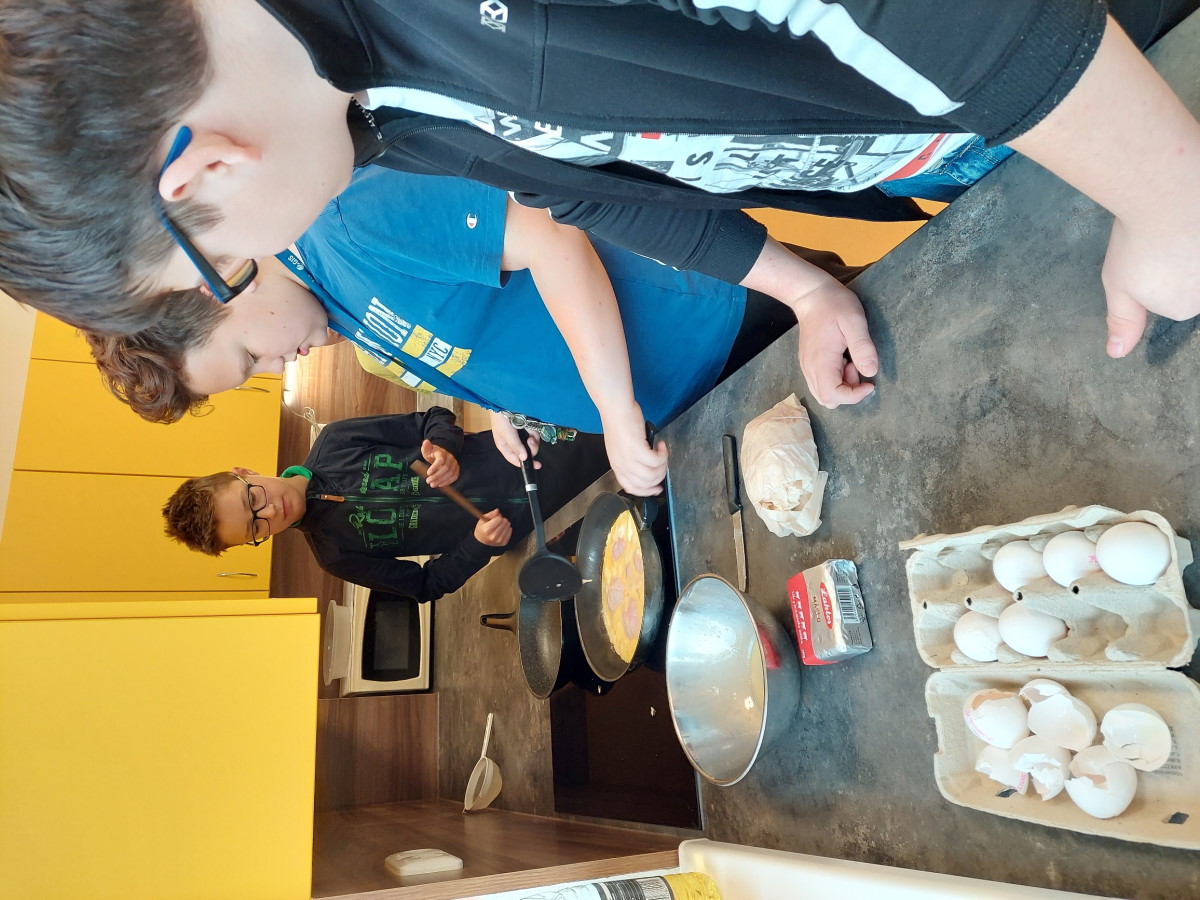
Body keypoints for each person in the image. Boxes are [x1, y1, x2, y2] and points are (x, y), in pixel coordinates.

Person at [4, 2, 1198, 383]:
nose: (254, 262)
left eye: (216, 265)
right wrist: (797, 285)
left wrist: (1171, 193)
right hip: (1005, 150)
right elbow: (595, 193)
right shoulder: (366, 111)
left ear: (203, 171)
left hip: (1127, 73)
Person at [90, 167, 865, 494]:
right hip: (689, 391)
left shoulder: (350, 220)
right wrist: (497, 401)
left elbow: (551, 238)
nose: (275, 367)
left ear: (223, 284)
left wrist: (614, 405)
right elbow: (462, 317)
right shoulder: (331, 306)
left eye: (249, 357)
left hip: (723, 315)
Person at [161, 408, 610, 603]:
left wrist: (444, 448)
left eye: (253, 499)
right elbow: (426, 585)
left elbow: (433, 418)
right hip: (542, 525)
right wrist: (477, 545)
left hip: (531, 449)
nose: (270, 513)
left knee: (628, 427)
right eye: (255, 528)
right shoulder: (335, 556)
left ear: (245, 472)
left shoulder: (337, 441)